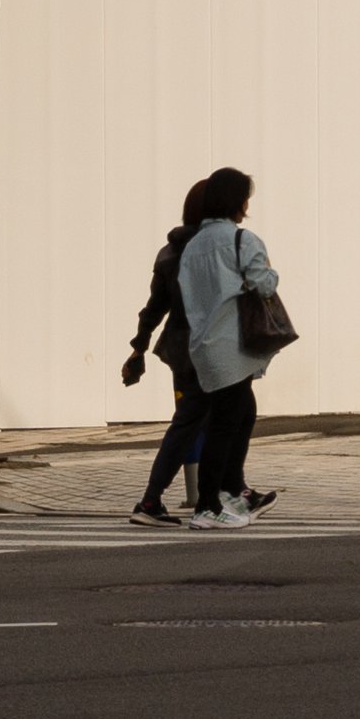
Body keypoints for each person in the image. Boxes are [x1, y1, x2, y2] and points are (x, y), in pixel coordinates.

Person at [176, 165, 280, 530]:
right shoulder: (242, 241)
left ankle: (232, 491)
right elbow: (262, 284)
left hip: (203, 345)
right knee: (224, 425)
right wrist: (271, 273)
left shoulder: (192, 246)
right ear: (237, 201)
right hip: (232, 346)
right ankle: (208, 505)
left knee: (237, 415)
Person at [122, 180, 211, 526]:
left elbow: (154, 307)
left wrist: (138, 349)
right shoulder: (210, 248)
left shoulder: (169, 250)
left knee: (193, 422)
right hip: (207, 346)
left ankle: (164, 500)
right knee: (212, 420)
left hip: (178, 347)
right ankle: (168, 500)